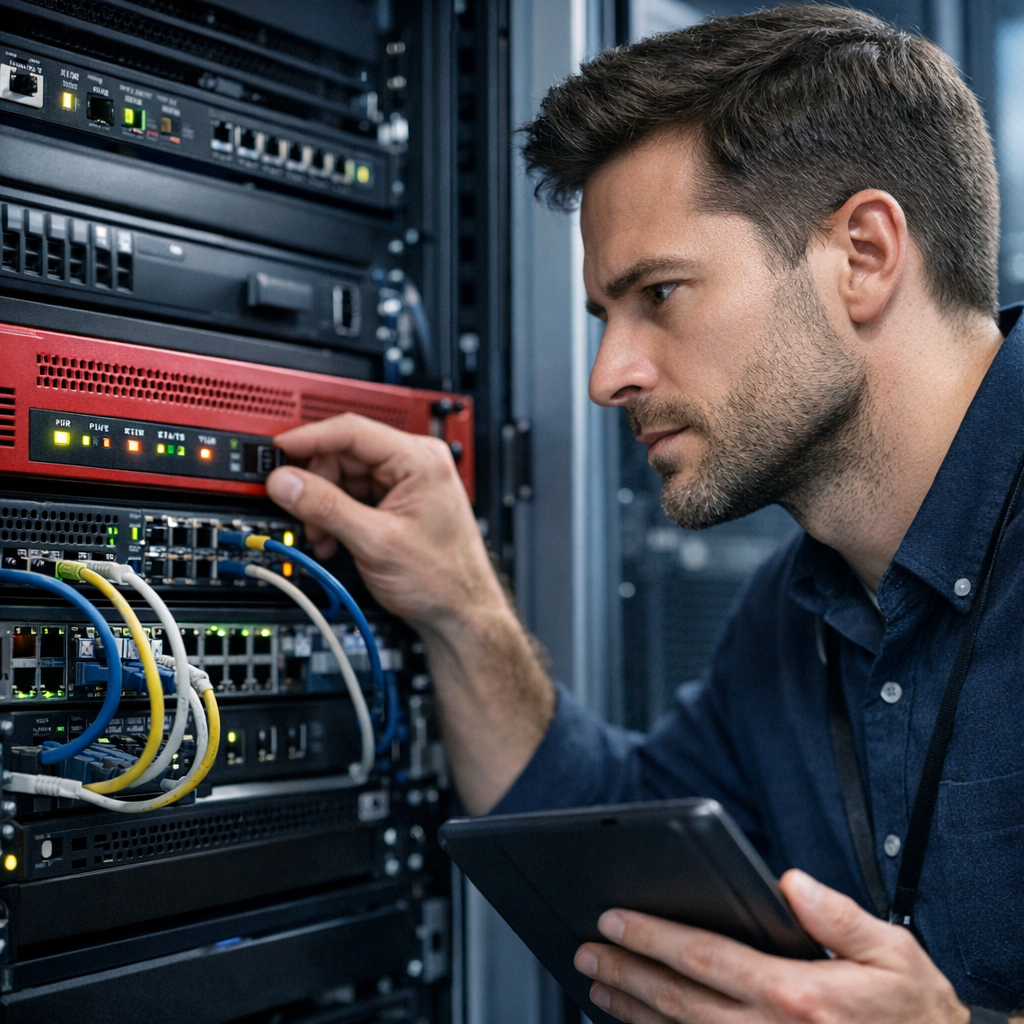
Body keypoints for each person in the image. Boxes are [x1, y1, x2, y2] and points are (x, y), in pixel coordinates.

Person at [265, 6, 1023, 1022]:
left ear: (864, 254)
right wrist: (459, 605)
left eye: (659, 293)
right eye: (602, 316)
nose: (605, 377)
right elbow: (612, 845)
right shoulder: (795, 615)